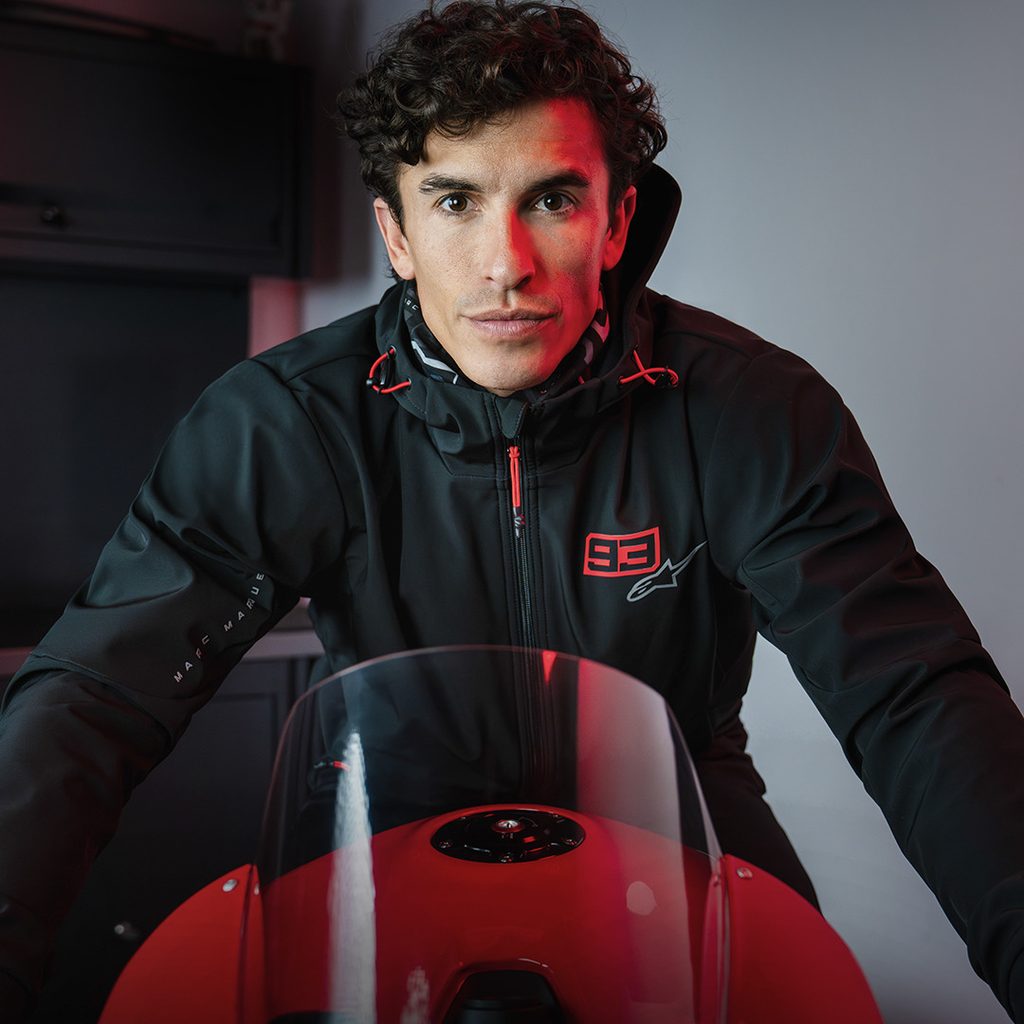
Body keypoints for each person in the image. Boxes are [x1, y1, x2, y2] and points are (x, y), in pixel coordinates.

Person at [1, 0, 1022, 1018]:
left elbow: (913, 694)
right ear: (396, 233)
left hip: (677, 821)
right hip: (387, 827)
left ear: (615, 222)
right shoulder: (284, 418)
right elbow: (96, 692)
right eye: (454, 201)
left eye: (552, 199)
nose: (505, 265)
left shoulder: (749, 407)